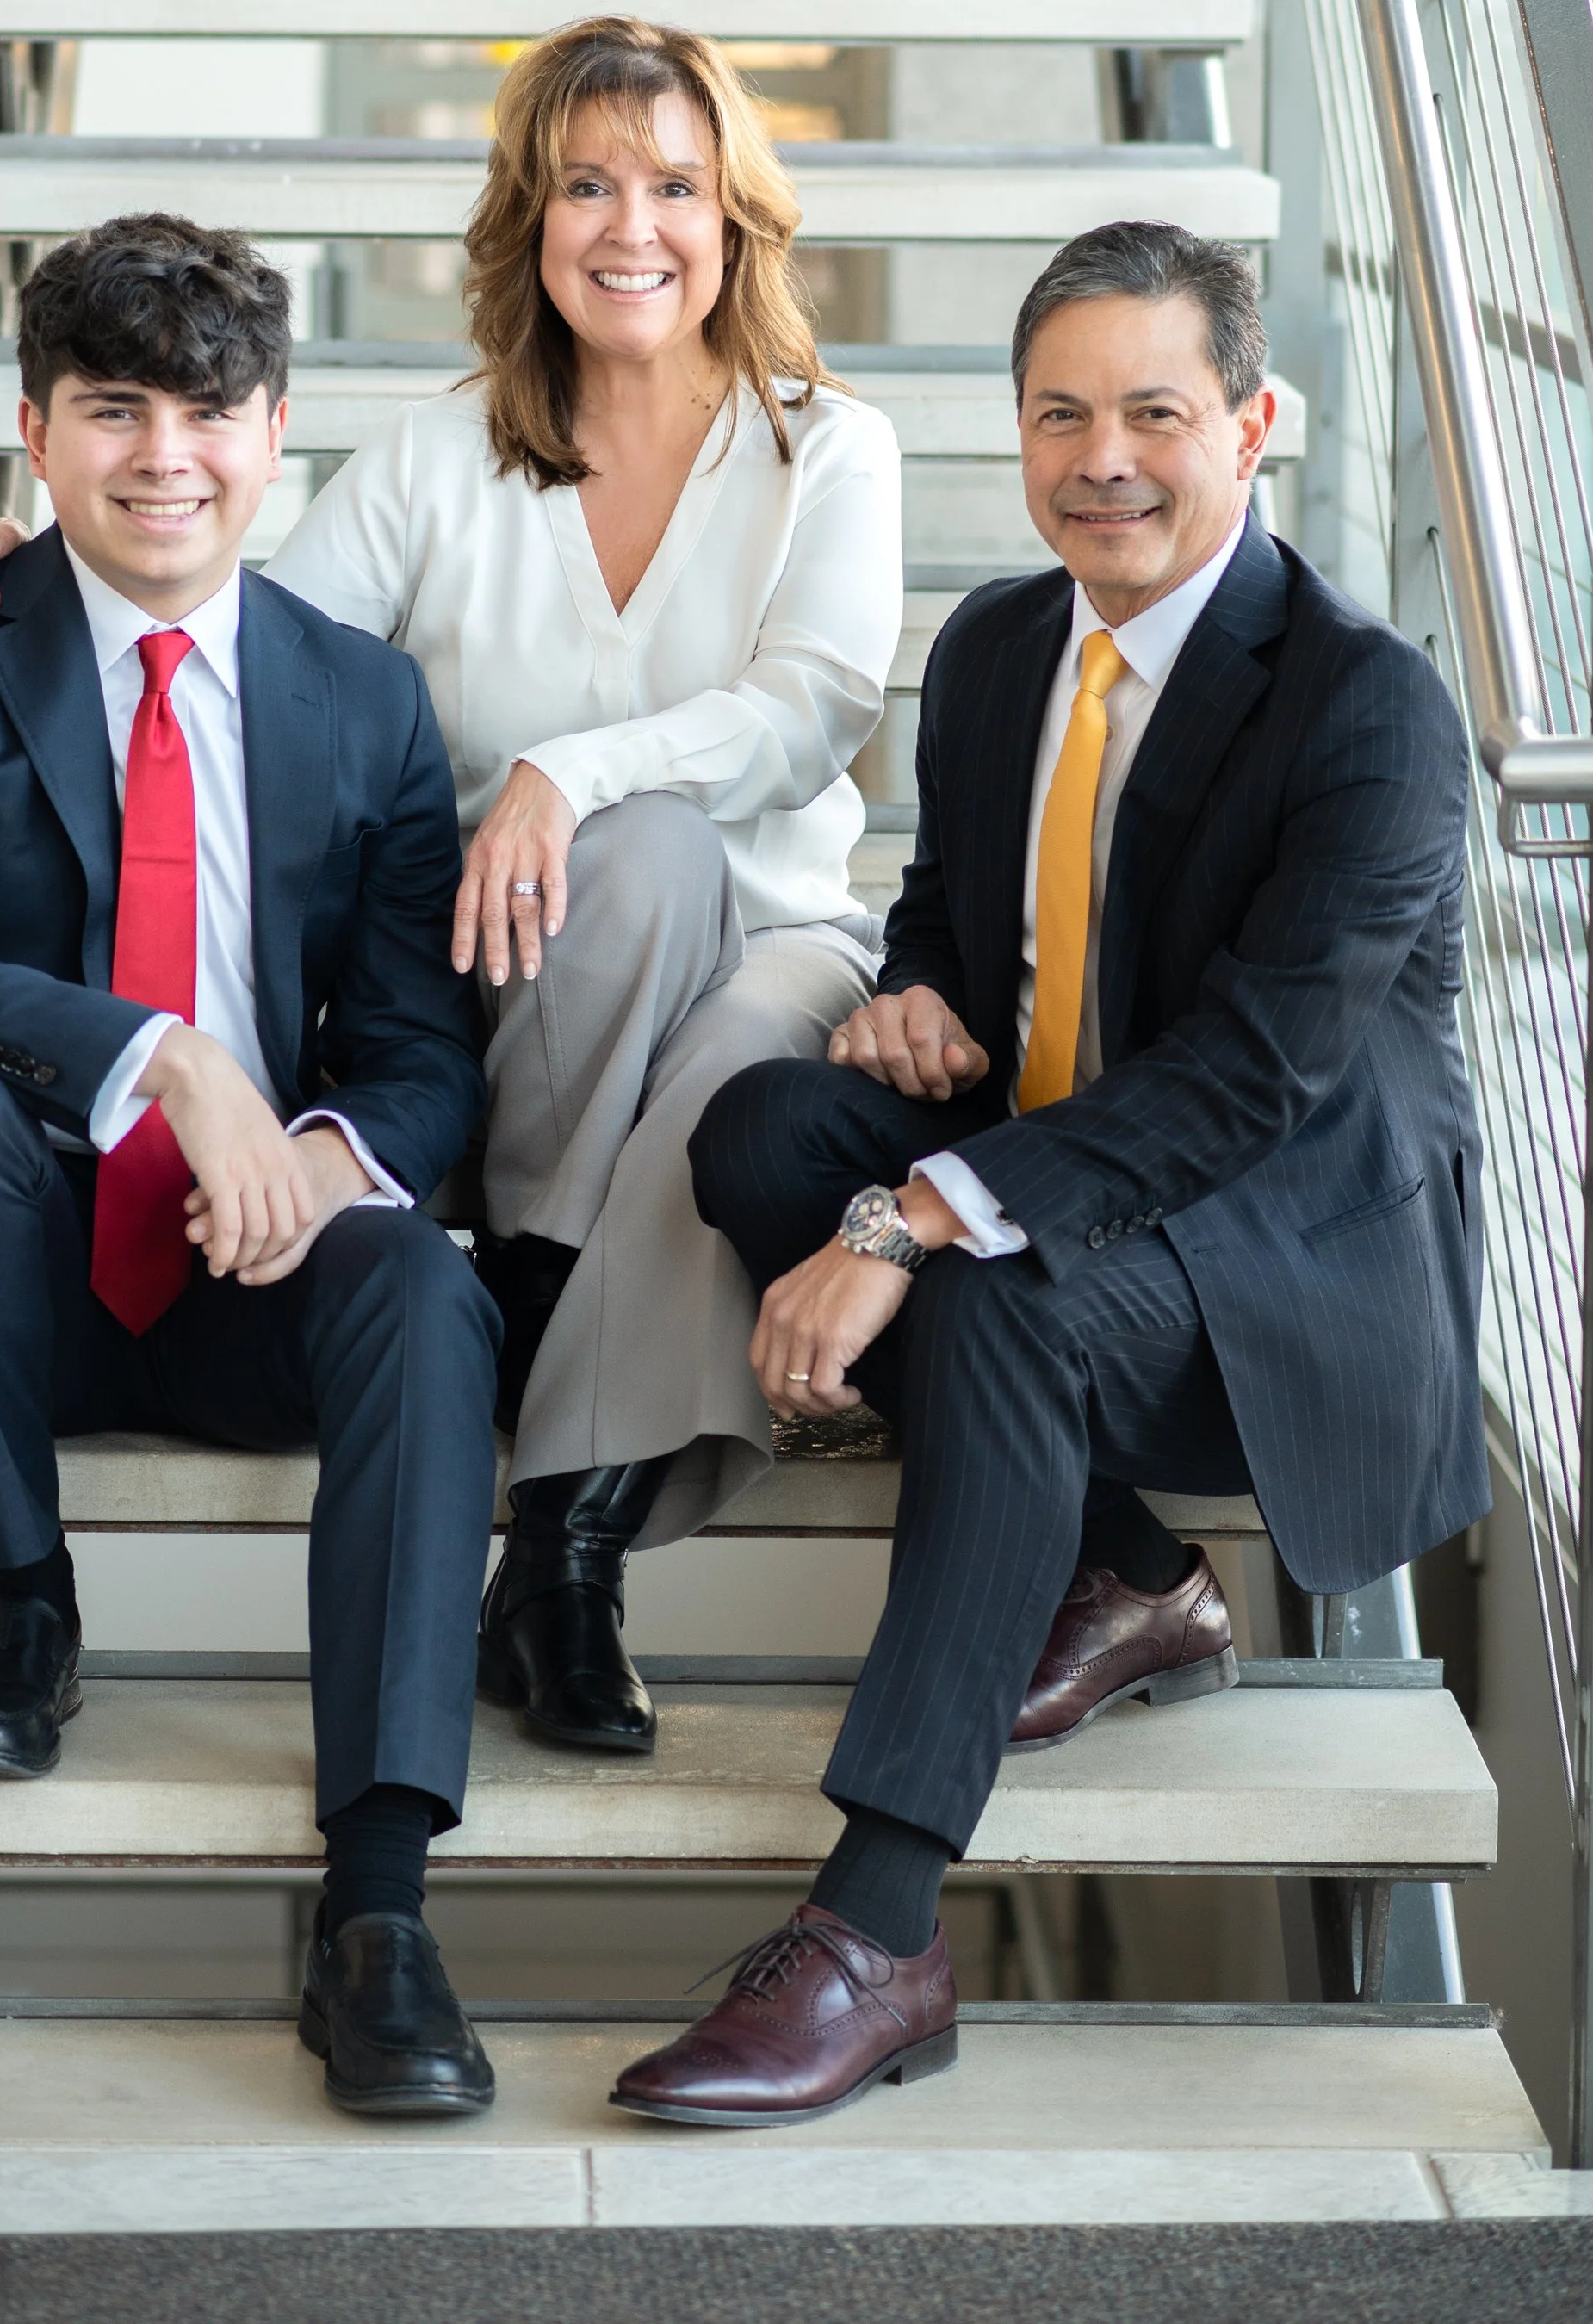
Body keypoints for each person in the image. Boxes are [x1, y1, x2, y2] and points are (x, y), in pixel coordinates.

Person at [0, 17, 904, 1763]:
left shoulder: (829, 446)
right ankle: (567, 1546)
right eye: (585, 183)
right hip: (517, 983)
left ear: (732, 215)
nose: (631, 226)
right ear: (528, 218)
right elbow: (218, 615)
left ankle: (561, 1538)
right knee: (634, 881)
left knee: (685, 915)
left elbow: (813, 707)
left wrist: (565, 770)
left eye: (673, 184)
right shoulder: (444, 461)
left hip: (769, 945)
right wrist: (17, 547)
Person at [609, 219, 1488, 2127]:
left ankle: (877, 1927)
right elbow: (948, 913)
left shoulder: (1366, 708)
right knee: (759, 1129)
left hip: (1282, 1272)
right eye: (1058, 414)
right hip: (1065, 1180)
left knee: (986, 1290)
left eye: (1154, 413)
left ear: (1253, 424)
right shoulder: (1006, 643)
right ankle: (1129, 1570)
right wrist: (916, 998)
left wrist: (910, 1221)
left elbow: (1252, 1079)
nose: (1103, 456)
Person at [0, 216, 502, 2117]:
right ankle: (22, 1590)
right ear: (35, 428)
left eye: (207, 412)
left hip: (252, 1265)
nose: (163, 456)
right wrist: (161, 1057)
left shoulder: (362, 698)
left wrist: (329, 1156)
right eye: (113, 411)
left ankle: (379, 1909)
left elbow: (424, 1054)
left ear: (277, 435)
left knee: (426, 1281)